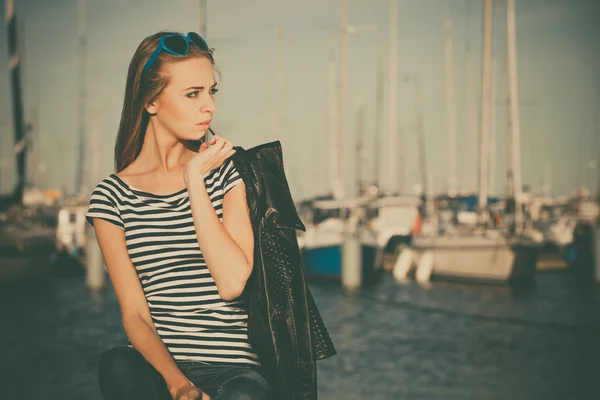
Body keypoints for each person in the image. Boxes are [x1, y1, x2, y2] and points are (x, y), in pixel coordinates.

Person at [87, 31, 335, 400]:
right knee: (116, 364)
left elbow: (231, 282)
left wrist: (194, 181)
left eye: (211, 91)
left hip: (235, 372)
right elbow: (135, 315)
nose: (209, 107)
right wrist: (178, 383)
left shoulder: (227, 174)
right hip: (160, 369)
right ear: (151, 102)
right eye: (193, 94)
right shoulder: (113, 197)